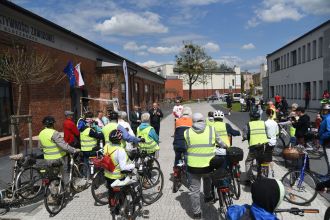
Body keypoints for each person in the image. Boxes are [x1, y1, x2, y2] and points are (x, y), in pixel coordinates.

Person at [184, 113, 228, 218]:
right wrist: (225, 146)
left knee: (194, 190)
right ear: (203, 120)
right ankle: (208, 196)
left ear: (193, 121)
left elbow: (186, 147)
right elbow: (220, 142)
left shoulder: (187, 132)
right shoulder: (211, 129)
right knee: (207, 179)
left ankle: (197, 213)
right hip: (208, 165)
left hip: (193, 166)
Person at [39, 116, 80, 186]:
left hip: (47, 159)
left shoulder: (41, 133)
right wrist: (74, 150)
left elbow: (41, 147)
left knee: (52, 175)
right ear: (53, 124)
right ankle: (67, 188)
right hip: (59, 158)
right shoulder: (54, 133)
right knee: (64, 172)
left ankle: (54, 190)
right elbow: (64, 146)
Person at [104, 129, 135, 213]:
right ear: (120, 139)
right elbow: (123, 167)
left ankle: (112, 207)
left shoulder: (106, 146)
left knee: (111, 192)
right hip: (118, 176)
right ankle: (123, 210)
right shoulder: (120, 150)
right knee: (123, 193)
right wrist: (133, 165)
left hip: (107, 174)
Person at [243, 111, 269, 183]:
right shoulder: (263, 123)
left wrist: (245, 138)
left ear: (251, 117)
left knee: (248, 161)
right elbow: (266, 133)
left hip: (253, 147)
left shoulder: (248, 125)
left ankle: (249, 179)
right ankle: (261, 175)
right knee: (260, 161)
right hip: (262, 145)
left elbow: (245, 135)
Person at [172, 106, 193, 192]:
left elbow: (175, 132)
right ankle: (191, 183)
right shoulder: (191, 122)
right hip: (186, 144)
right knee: (188, 163)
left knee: (177, 158)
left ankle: (176, 170)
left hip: (177, 143)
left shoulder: (177, 121)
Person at [265, 108, 279, 177]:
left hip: (267, 141)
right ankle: (271, 170)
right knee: (270, 156)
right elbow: (277, 132)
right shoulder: (275, 123)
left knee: (267, 157)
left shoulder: (265, 123)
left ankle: (268, 171)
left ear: (266, 114)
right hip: (273, 141)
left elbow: (264, 133)